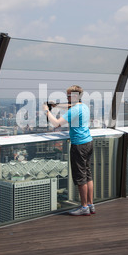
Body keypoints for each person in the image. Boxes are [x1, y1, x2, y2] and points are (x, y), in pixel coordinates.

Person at [42, 85, 94, 216]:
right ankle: (90, 204)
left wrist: (47, 111)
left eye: (69, 95)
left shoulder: (74, 110)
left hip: (79, 146)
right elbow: (70, 106)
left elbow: (57, 124)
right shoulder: (84, 106)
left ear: (75, 96)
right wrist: (56, 105)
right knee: (88, 174)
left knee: (80, 176)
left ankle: (83, 207)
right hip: (88, 142)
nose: (67, 97)